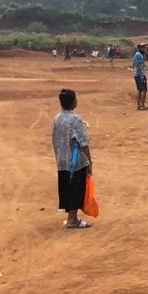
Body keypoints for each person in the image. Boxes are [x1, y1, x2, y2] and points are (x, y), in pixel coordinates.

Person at [52, 89, 93, 229]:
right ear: (74, 102)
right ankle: (72, 219)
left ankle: (71, 217)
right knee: (77, 189)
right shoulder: (75, 119)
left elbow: (54, 139)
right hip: (75, 162)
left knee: (66, 188)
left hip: (62, 160)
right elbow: (83, 142)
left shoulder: (57, 118)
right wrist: (89, 162)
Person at [132, 44, 148, 111]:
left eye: (144, 47)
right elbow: (138, 65)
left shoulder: (138, 54)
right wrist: (141, 75)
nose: (144, 49)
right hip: (139, 75)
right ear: (139, 48)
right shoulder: (138, 55)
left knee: (139, 90)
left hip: (137, 74)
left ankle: (139, 106)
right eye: (143, 47)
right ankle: (142, 106)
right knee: (143, 90)